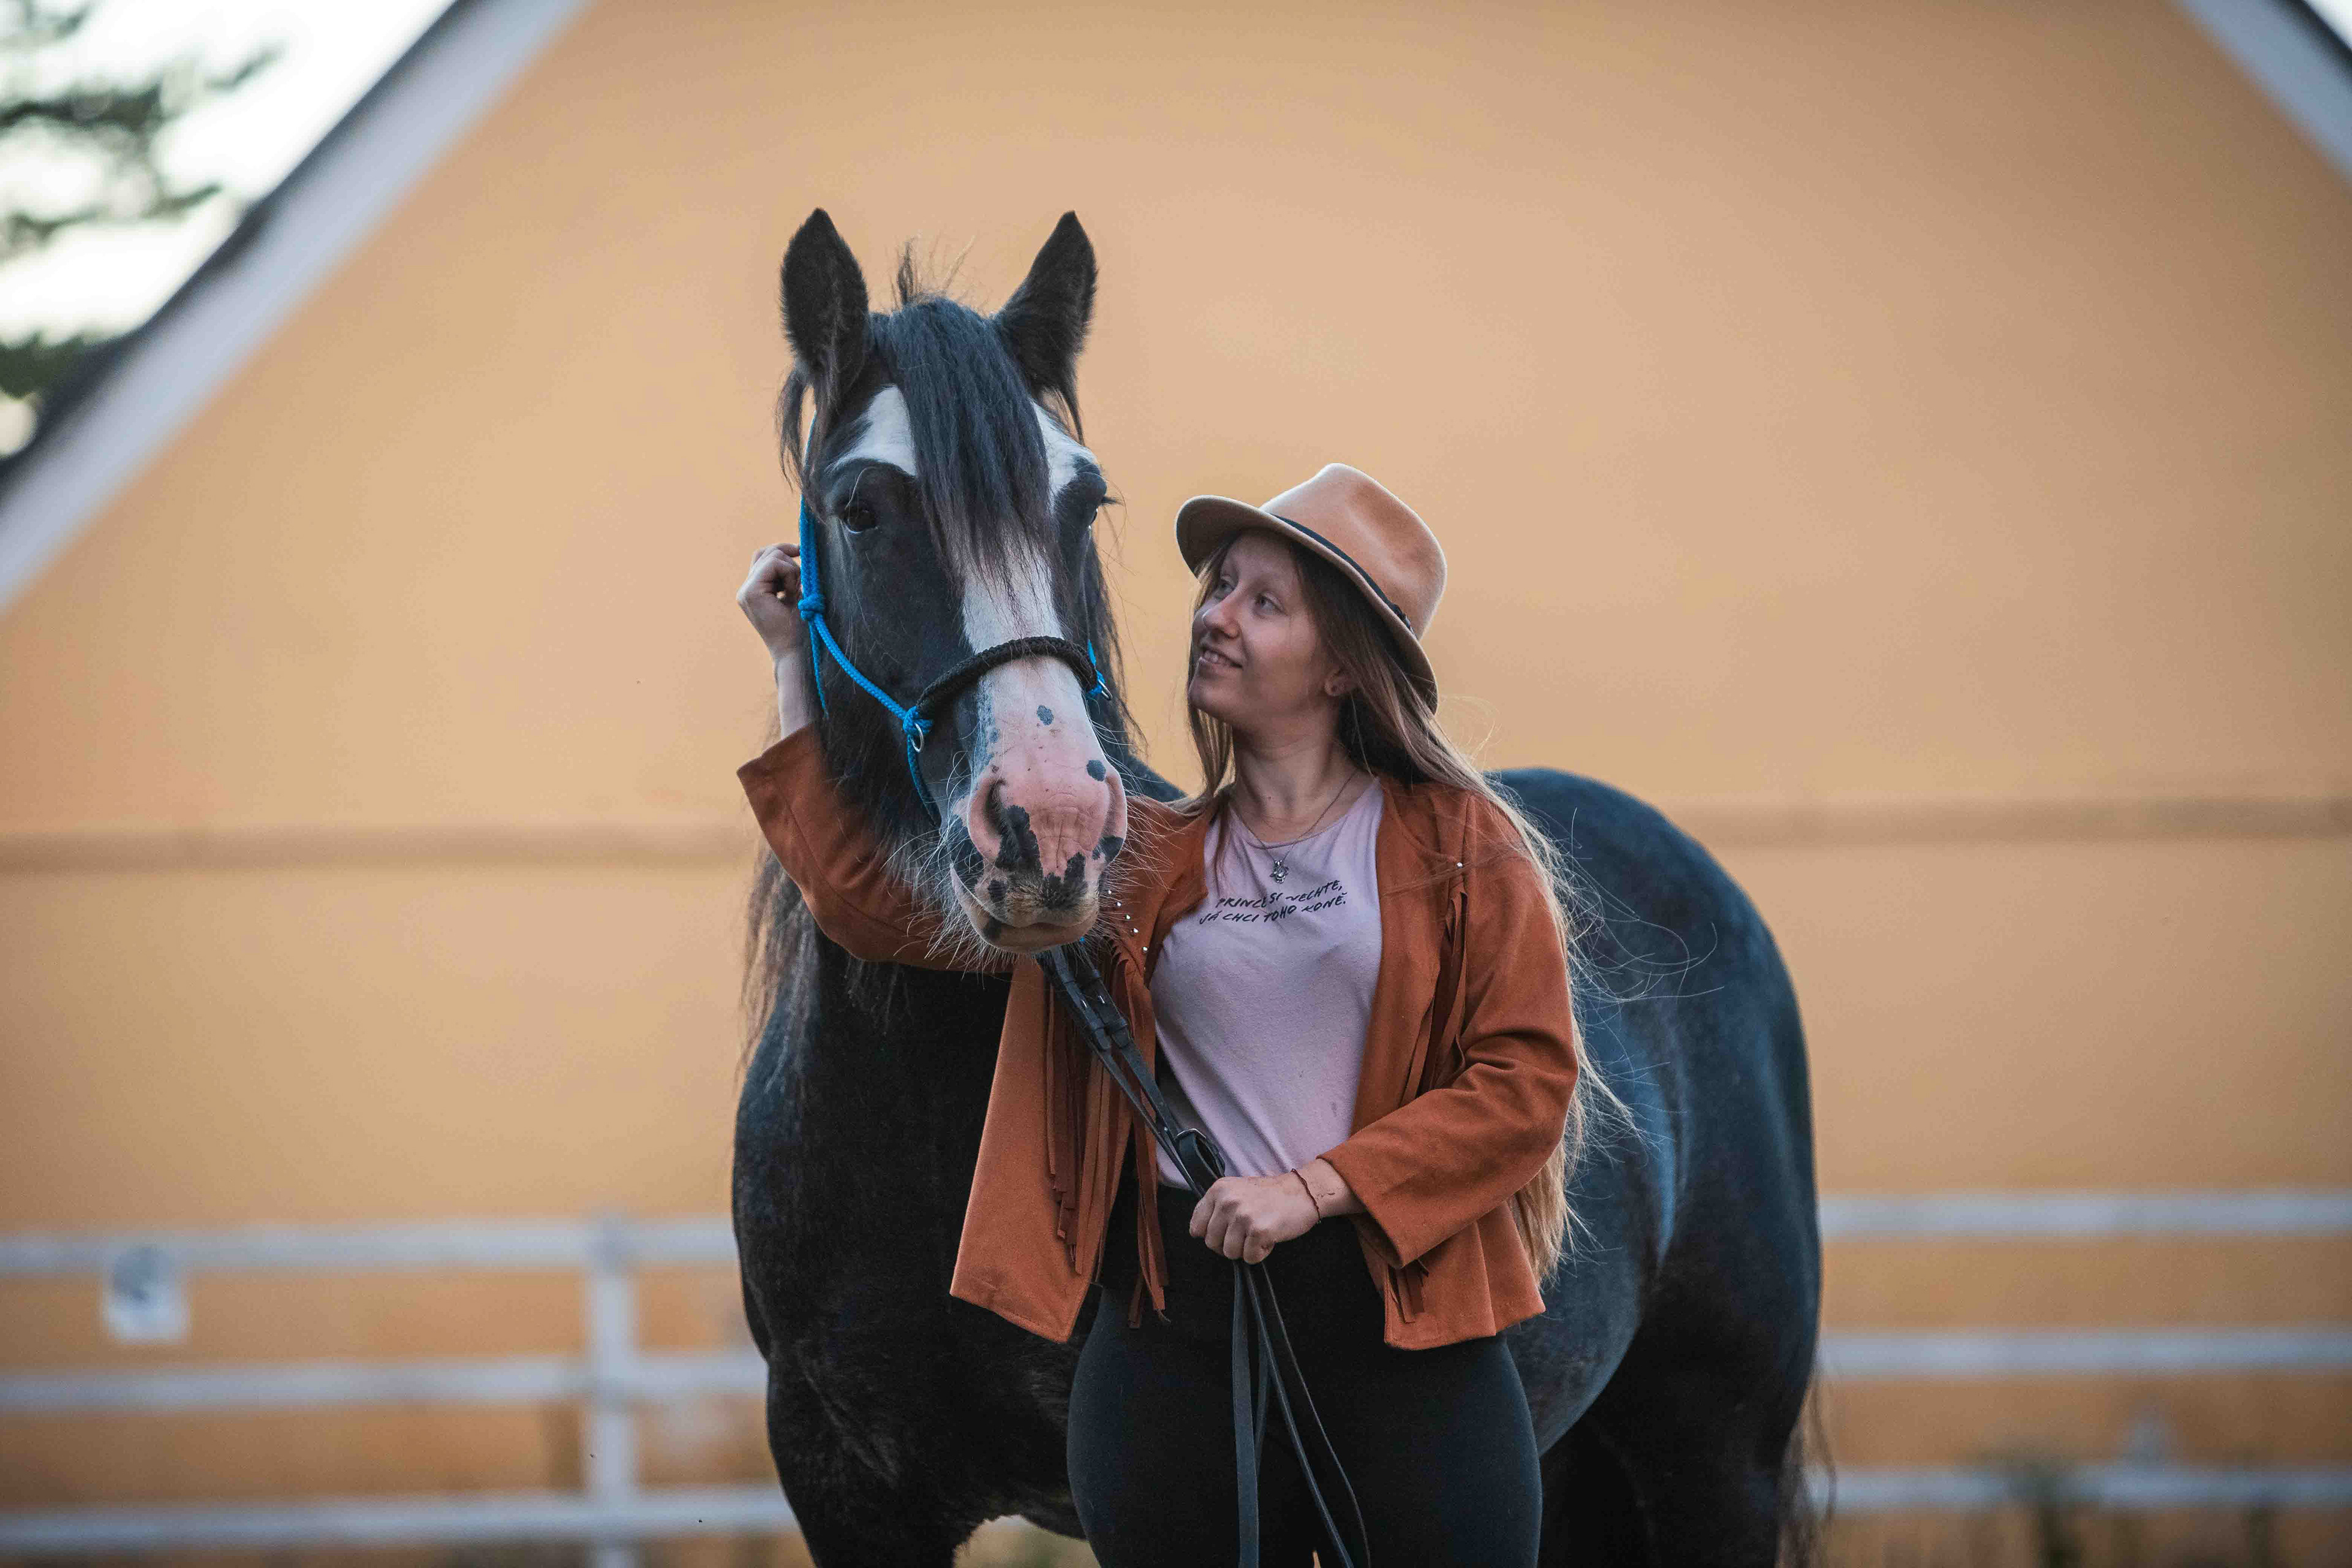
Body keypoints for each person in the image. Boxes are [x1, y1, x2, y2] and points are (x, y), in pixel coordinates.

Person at [734, 462, 1588, 1566]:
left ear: (1342, 667)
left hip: (1404, 1330)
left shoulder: (1460, 843)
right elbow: (864, 902)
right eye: (1218, 587)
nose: (1215, 616)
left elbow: (1526, 1083)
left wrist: (1311, 1189)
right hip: (1179, 1338)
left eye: (1263, 602)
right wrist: (792, 659)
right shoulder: (1139, 857)